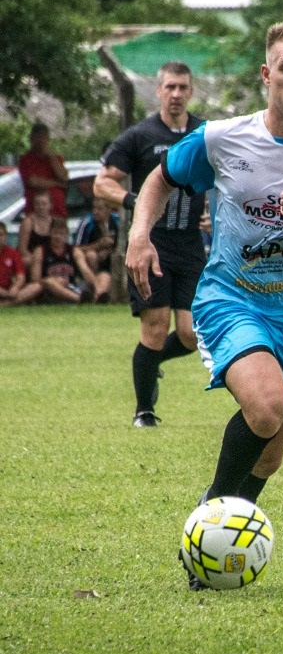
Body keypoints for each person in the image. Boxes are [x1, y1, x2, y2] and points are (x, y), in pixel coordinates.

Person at [127, 20, 283, 577]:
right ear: (266, 74)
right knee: (265, 407)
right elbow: (160, 179)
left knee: (273, 451)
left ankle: (221, 556)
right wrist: (140, 235)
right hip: (229, 298)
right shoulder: (221, 138)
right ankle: (205, 531)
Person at [96, 61, 207, 427]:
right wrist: (133, 202)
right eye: (169, 87)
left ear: (191, 92)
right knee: (155, 328)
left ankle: (152, 361)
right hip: (151, 243)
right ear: (158, 91)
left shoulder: (204, 133)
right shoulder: (140, 136)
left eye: (182, 88)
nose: (176, 94)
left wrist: (213, 213)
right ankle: (144, 410)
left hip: (190, 244)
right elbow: (102, 183)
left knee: (193, 334)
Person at [72, 197, 119, 303]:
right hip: (89, 267)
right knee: (91, 255)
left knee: (105, 278)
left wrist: (109, 251)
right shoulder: (87, 222)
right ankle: (96, 289)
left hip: (106, 266)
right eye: (94, 208)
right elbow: (76, 248)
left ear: (109, 209)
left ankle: (95, 297)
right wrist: (98, 245)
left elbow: (124, 245)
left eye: (99, 209)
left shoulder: (117, 221)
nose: (95, 212)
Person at [18, 123, 70, 218]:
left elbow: (64, 178)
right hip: (34, 213)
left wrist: (51, 157)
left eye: (43, 137)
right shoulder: (25, 160)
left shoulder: (56, 158)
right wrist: (56, 183)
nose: (40, 141)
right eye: (37, 137)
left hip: (57, 212)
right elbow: (33, 182)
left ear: (48, 139)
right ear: (31, 139)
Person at [32, 218, 89, 303]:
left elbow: (85, 271)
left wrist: (95, 284)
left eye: (61, 233)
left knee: (104, 276)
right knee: (49, 282)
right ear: (50, 233)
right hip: (50, 290)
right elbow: (35, 279)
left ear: (66, 234)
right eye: (55, 233)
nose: (57, 237)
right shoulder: (40, 251)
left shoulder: (74, 250)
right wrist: (56, 280)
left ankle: (97, 296)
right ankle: (80, 299)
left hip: (72, 285)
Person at [0, 221, 42, 306]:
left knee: (37, 286)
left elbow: (20, 276)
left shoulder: (13, 253)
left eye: (1, 235)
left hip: (9, 290)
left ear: (6, 235)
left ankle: (4, 304)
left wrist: (15, 287)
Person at [17, 190, 54, 271]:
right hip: (31, 255)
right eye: (37, 204)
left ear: (50, 205)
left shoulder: (54, 222)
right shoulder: (28, 222)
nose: (41, 207)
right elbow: (22, 249)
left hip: (50, 256)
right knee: (28, 261)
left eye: (44, 204)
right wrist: (37, 259)